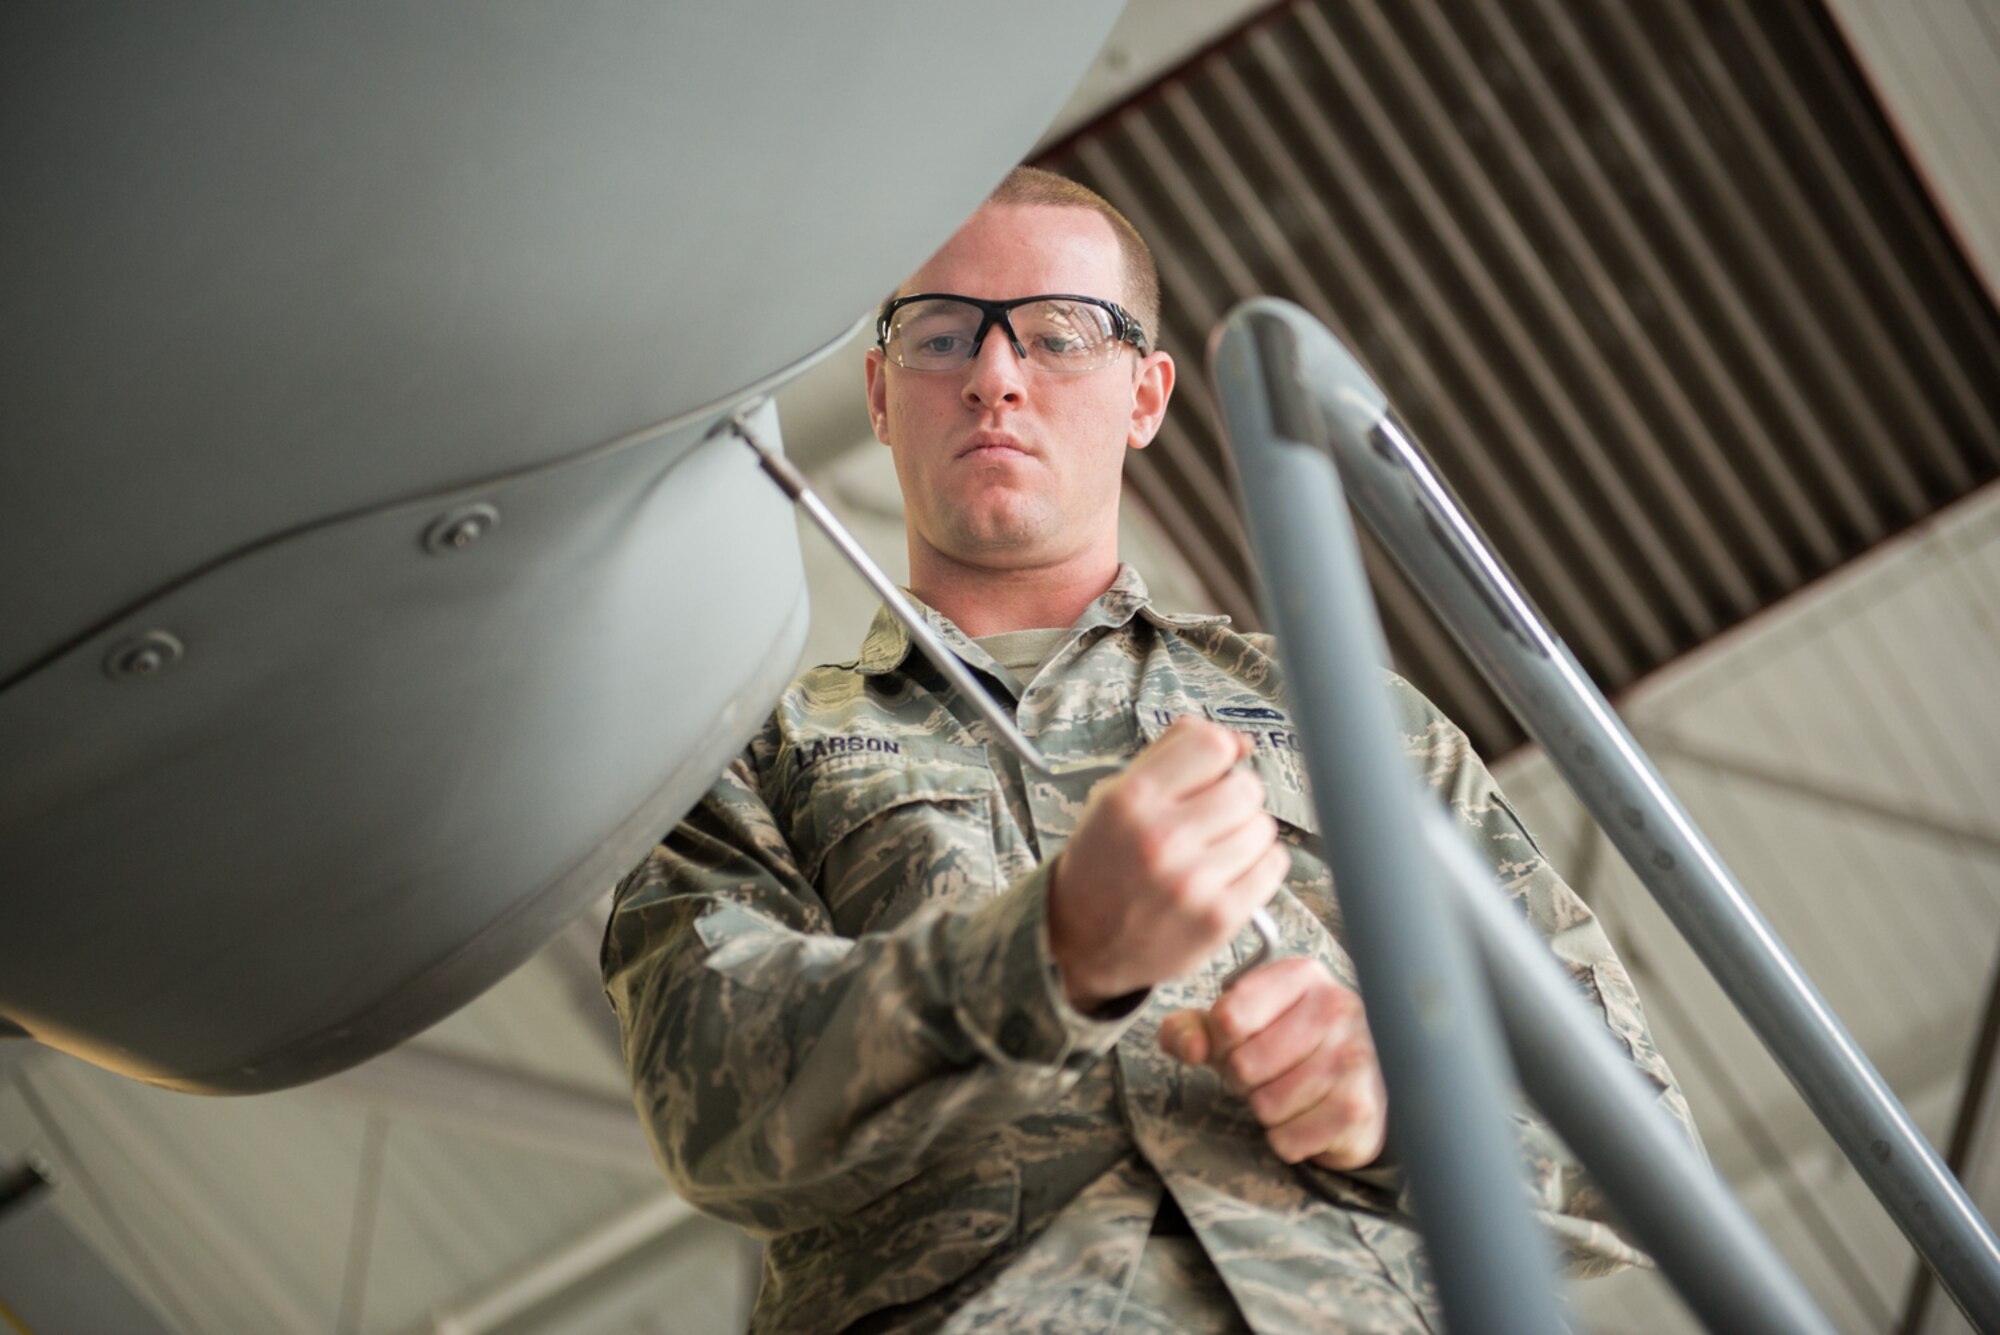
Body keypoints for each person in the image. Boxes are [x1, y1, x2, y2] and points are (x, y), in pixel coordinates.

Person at [603, 166, 1697, 1334]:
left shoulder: (1345, 721)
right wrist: (1049, 950)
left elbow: (1635, 1142)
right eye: (938, 337)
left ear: (1145, 395)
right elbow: (710, 1098)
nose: (994, 377)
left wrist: (1398, 1101)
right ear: (879, 392)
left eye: (1060, 336)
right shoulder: (751, 753)